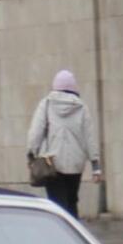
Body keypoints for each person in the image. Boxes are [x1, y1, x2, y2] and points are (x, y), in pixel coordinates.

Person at [25, 69, 99, 217]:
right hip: (76, 165)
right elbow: (89, 137)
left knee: (57, 205)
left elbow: (36, 132)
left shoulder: (46, 104)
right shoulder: (82, 107)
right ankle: (73, 233)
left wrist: (31, 154)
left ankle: (61, 234)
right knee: (72, 202)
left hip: (52, 164)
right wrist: (96, 167)